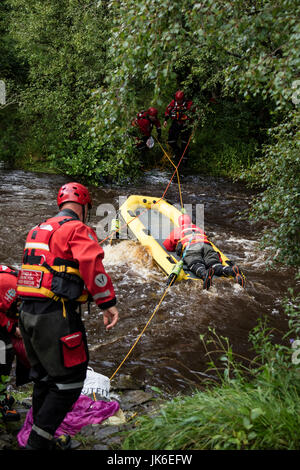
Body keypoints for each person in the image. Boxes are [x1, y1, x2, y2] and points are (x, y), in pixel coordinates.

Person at [17, 182, 119, 450]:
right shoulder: (78, 228)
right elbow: (91, 264)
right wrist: (107, 302)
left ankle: (41, 436)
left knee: (43, 378)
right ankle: (38, 443)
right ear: (85, 206)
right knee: (71, 382)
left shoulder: (37, 229)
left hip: (26, 313)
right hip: (56, 316)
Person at [163, 214, 245, 290]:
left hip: (192, 247)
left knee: (195, 263)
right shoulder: (198, 228)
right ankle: (230, 270)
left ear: (179, 223)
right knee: (214, 264)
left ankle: (205, 274)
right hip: (206, 246)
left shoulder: (178, 230)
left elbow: (168, 245)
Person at [0, 265, 24, 422]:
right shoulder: (11, 286)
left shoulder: (22, 282)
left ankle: (2, 396)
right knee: (4, 352)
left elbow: (11, 310)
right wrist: (12, 327)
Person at [163, 90, 195, 165]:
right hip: (176, 123)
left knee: (184, 142)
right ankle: (178, 152)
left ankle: (184, 159)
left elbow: (195, 112)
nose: (179, 101)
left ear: (183, 98)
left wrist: (194, 121)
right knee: (171, 140)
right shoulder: (173, 103)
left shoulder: (188, 104)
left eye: (180, 100)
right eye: (178, 100)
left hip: (186, 124)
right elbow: (168, 111)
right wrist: (165, 120)